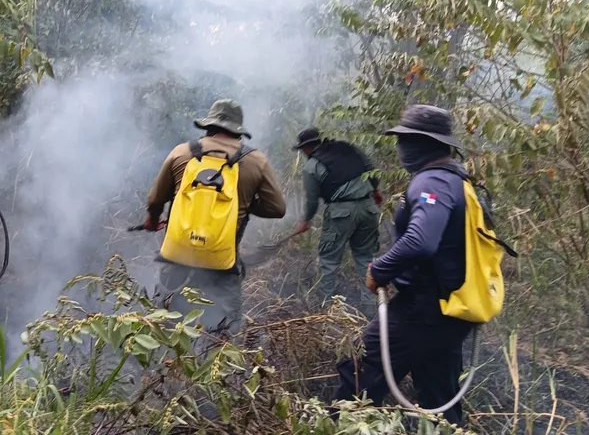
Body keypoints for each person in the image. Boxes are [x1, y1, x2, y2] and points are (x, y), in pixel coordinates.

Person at [333, 104, 474, 426]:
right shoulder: (460, 181)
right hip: (451, 312)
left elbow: (421, 241)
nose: (400, 148)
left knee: (358, 376)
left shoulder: (432, 182)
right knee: (440, 402)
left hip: (422, 310)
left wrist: (380, 270)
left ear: (421, 144)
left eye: (404, 141)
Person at [144, 99, 286, 334]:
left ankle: (164, 365)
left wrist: (151, 220)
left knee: (165, 321)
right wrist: (244, 204)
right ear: (237, 131)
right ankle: (216, 364)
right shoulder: (255, 161)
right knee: (223, 329)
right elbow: (277, 208)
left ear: (208, 126)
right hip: (221, 261)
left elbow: (155, 199)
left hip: (178, 255)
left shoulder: (181, 152)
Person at [292, 128, 383, 310]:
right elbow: (371, 170)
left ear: (306, 148)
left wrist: (305, 220)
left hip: (340, 213)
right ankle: (371, 308)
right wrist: (375, 191)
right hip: (368, 208)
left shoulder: (311, 166)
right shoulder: (348, 148)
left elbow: (312, 200)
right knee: (366, 257)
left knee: (329, 260)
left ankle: (327, 309)